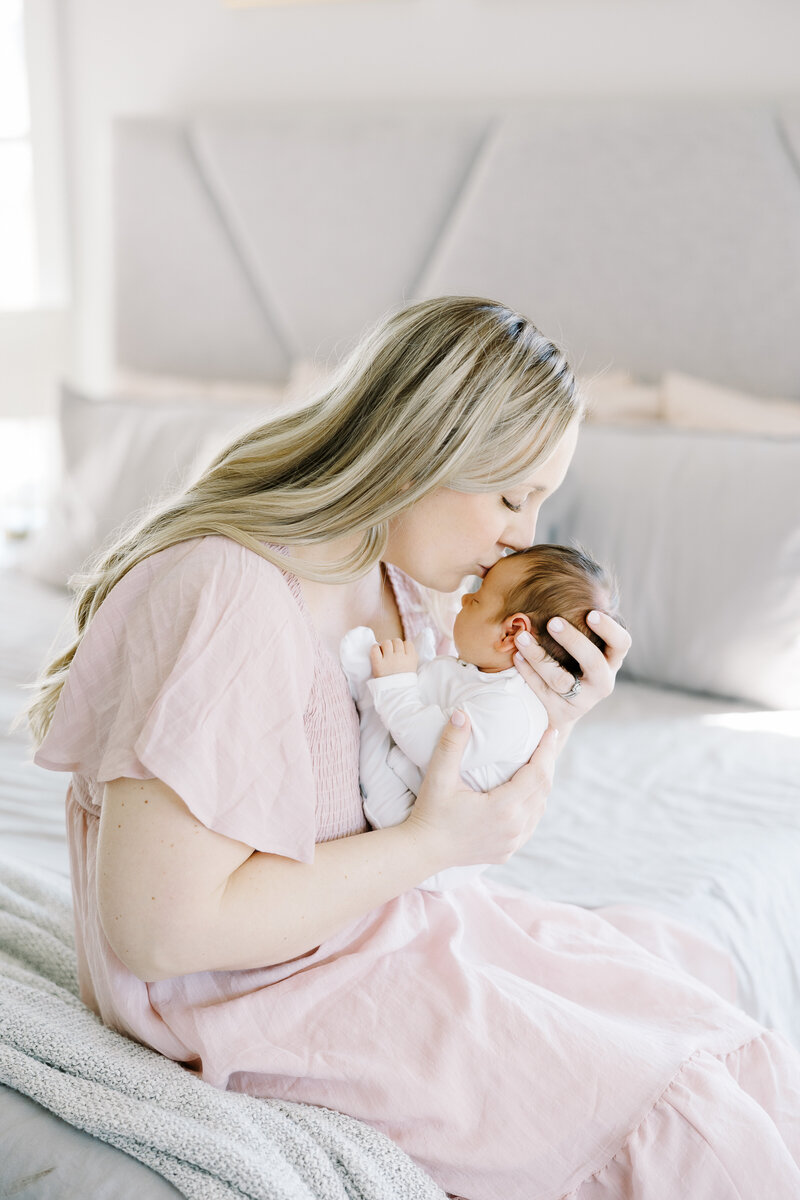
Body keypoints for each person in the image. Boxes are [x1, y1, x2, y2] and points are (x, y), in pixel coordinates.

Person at [28, 297, 800, 1200]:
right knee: (681, 1131)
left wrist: (556, 713)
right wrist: (431, 847)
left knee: (707, 1041)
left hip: (386, 932)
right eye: (513, 496)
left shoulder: (400, 577)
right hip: (264, 995)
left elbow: (470, 793)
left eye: (541, 502)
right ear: (419, 450)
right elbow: (162, 934)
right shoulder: (228, 591)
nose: (523, 535)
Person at [340, 543, 622, 892]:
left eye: (476, 597)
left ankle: (366, 693)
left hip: (414, 828)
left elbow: (432, 746)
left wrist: (394, 685)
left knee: (382, 744)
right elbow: (443, 691)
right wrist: (421, 671)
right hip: (426, 810)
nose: (463, 600)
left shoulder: (512, 709)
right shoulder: (485, 673)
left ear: (510, 632)